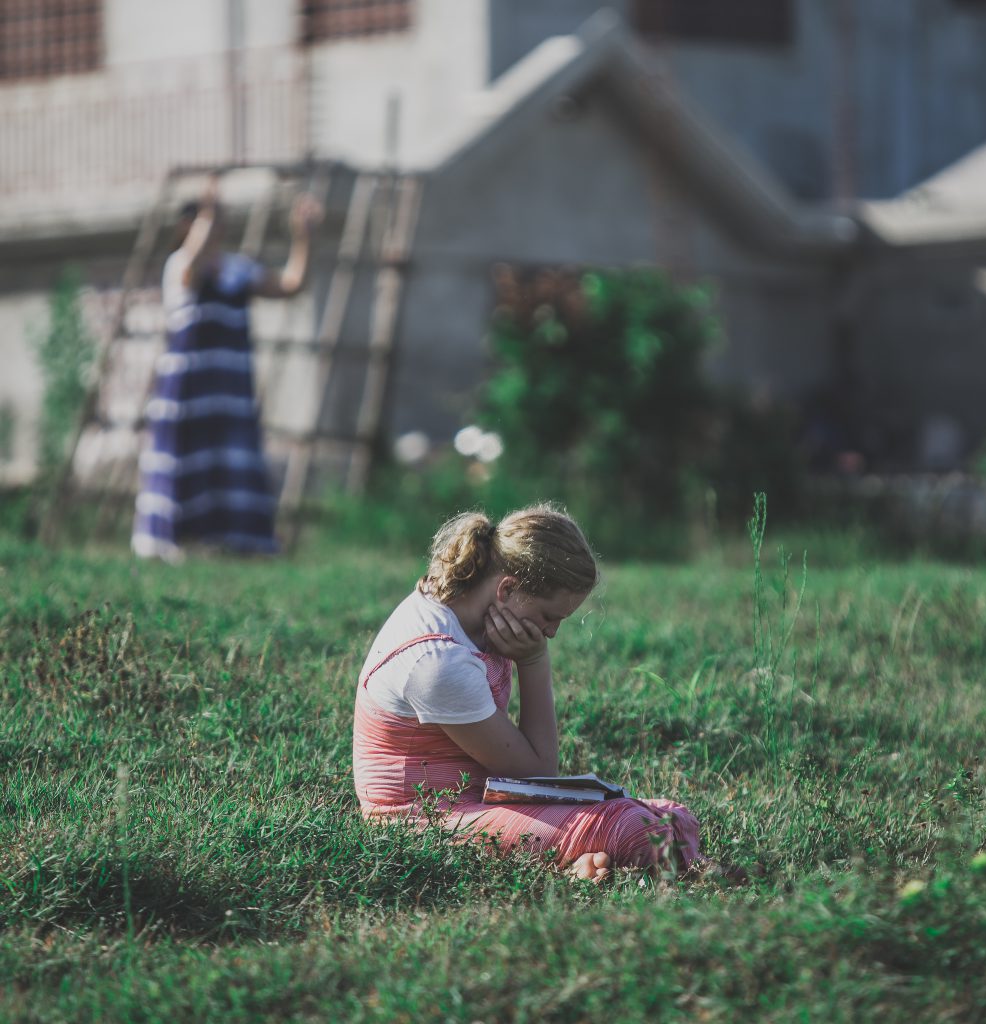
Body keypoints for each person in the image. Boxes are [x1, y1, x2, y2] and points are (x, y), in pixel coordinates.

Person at [352, 503, 707, 883]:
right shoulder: (439, 663)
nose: (551, 632)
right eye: (549, 616)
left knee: (670, 814)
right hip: (423, 820)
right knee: (640, 829)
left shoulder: (462, 611)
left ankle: (580, 858)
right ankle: (597, 855)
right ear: (507, 589)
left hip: (478, 800)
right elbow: (539, 771)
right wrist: (534, 661)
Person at [131, 176, 322, 562]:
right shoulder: (180, 266)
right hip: (188, 389)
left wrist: (304, 236)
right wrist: (211, 208)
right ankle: (175, 541)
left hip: (229, 390)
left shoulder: (237, 269)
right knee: (186, 461)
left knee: (231, 462)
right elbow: (196, 259)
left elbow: (291, 284)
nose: (215, 226)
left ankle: (235, 541)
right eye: (204, 220)